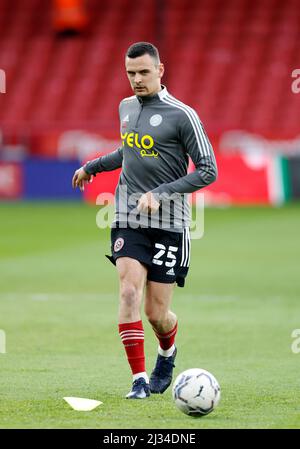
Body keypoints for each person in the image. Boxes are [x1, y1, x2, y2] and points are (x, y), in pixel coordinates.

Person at [72, 42, 217, 399]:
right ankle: (138, 380)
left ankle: (167, 353)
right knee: (128, 291)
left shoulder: (183, 115)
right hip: (127, 214)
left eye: (143, 72)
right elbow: (128, 150)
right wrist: (92, 167)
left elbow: (209, 170)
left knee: (157, 314)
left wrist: (163, 192)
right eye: (131, 73)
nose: (136, 80)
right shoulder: (125, 107)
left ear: (160, 70)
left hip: (170, 223)